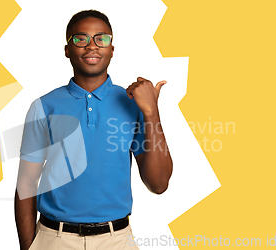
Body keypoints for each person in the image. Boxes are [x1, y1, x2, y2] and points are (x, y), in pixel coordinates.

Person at [14, 9, 173, 250]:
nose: (92, 46)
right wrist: (28, 247)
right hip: (53, 239)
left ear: (112, 50)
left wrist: (152, 112)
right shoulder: (44, 106)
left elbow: (158, 184)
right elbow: (26, 182)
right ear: (67, 50)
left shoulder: (134, 104)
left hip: (117, 240)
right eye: (81, 38)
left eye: (102, 38)